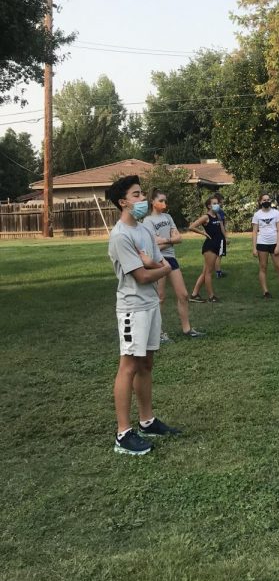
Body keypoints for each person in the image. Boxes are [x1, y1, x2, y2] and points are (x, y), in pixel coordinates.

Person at [105, 175, 181, 456]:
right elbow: (142, 275)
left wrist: (155, 266)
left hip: (150, 305)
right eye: (136, 195)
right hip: (132, 309)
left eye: (142, 194)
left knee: (147, 363)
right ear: (123, 202)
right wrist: (158, 268)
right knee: (129, 366)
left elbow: (157, 263)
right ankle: (123, 434)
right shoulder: (121, 236)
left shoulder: (145, 230)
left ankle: (147, 421)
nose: (142, 200)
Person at [143, 189, 205, 340]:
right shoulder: (147, 221)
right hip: (158, 260)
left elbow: (179, 238)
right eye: (161, 201)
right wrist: (170, 240)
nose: (164, 203)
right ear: (153, 202)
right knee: (160, 297)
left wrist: (165, 240)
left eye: (165, 200)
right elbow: (153, 246)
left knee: (183, 295)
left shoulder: (168, 217)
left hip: (171, 258)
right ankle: (157, 332)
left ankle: (187, 329)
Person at [188, 194, 226, 303]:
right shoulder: (206, 217)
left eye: (217, 203)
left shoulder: (218, 216)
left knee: (205, 272)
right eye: (214, 203)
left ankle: (194, 294)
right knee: (209, 272)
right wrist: (203, 233)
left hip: (217, 244)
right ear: (209, 206)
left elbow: (221, 228)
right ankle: (211, 296)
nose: (217, 205)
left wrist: (225, 238)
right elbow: (191, 227)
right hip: (210, 246)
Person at [252, 193, 279, 299]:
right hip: (262, 243)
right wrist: (254, 247)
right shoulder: (257, 215)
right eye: (264, 200)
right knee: (263, 267)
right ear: (260, 202)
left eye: (268, 199)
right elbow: (255, 232)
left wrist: (278, 245)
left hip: (274, 243)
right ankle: (265, 292)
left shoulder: (276, 213)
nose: (266, 201)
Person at [212, 192, 227, 279]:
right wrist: (226, 237)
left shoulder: (211, 212)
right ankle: (218, 272)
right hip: (220, 236)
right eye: (221, 202)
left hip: (213, 236)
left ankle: (216, 270)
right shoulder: (219, 211)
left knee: (215, 254)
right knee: (219, 255)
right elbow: (222, 225)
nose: (222, 204)